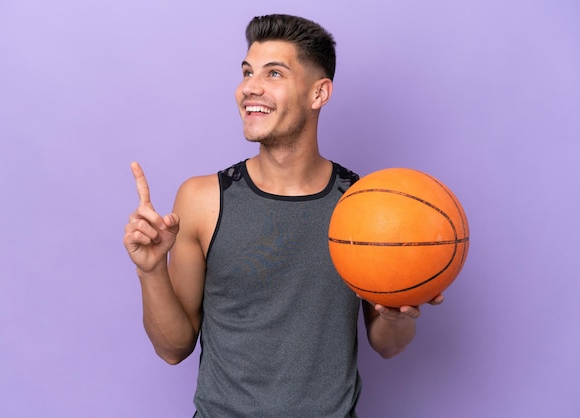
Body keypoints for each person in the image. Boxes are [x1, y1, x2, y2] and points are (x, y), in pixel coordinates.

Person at [123, 14, 443, 417]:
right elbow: (173, 349)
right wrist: (150, 271)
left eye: (274, 73)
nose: (249, 88)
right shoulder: (202, 199)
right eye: (246, 72)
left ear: (318, 94)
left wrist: (398, 312)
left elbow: (387, 345)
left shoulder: (364, 206)